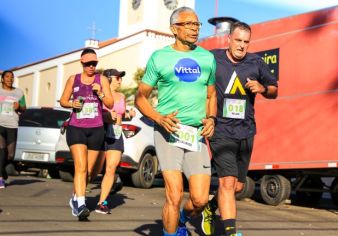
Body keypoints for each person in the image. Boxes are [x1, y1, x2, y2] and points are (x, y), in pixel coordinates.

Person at [135, 7, 217, 236]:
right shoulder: (160, 57)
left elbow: (211, 95)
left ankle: (180, 218)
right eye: (189, 24)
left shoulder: (207, 58)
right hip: (168, 132)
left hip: (196, 134)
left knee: (200, 199)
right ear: (174, 29)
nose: (194, 29)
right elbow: (140, 97)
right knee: (174, 193)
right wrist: (158, 117)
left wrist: (211, 118)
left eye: (197, 24)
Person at [200, 21, 278, 236]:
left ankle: (210, 207)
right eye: (238, 40)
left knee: (237, 187)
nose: (242, 46)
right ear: (228, 39)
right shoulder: (212, 58)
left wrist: (262, 89)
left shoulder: (256, 62)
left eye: (246, 42)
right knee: (227, 182)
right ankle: (231, 232)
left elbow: (274, 90)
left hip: (246, 131)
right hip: (220, 129)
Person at [59, 48, 113, 220]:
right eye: (88, 63)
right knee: (80, 167)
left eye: (94, 63)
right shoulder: (73, 79)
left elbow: (110, 103)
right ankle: (81, 205)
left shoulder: (102, 79)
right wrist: (71, 104)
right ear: (82, 62)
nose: (91, 66)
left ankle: (75, 197)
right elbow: (63, 100)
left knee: (90, 171)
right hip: (76, 127)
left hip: (96, 128)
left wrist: (101, 93)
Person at [94, 68, 134, 214]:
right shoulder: (99, 93)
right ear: (108, 79)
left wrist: (129, 114)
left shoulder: (121, 96)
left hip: (116, 133)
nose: (120, 80)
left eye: (121, 78)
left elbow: (121, 114)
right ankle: (78, 197)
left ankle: (101, 203)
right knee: (93, 170)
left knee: (111, 168)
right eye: (117, 78)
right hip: (100, 131)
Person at [0, 70, 26, 188]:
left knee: (10, 155)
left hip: (12, 125)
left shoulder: (19, 92)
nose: (10, 79)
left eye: (12, 77)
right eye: (7, 77)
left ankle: (2, 171)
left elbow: (24, 108)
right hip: (0, 124)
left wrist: (19, 106)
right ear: (2, 79)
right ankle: (0, 178)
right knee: (2, 151)